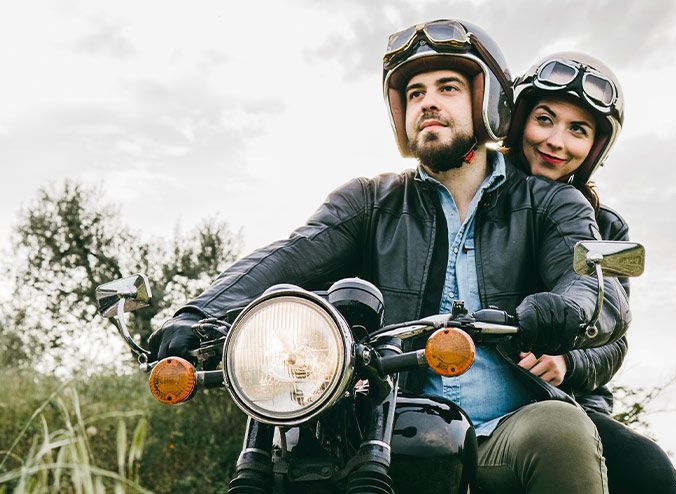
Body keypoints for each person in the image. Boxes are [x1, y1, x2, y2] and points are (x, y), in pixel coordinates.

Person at [149, 20, 631, 493]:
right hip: (390, 424)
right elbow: (289, 255)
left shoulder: (556, 204)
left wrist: (566, 313)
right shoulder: (368, 200)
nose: (428, 103)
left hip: (509, 427)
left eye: (447, 88)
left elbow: (595, 285)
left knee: (568, 434)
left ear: (486, 102)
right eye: (415, 93)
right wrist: (197, 314)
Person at [504, 51, 676, 493]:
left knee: (648, 470)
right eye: (545, 120)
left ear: (595, 148)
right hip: (485, 385)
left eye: (577, 130)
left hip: (572, 399)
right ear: (519, 120)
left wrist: (568, 362)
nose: (556, 141)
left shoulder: (609, 229)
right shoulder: (478, 200)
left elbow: (615, 339)